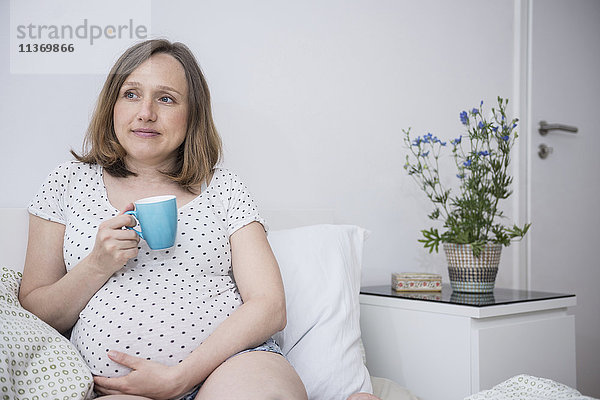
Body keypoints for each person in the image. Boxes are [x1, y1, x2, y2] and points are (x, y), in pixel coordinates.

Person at [19, 38, 381, 400]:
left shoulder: (222, 186)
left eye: (166, 98)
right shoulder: (68, 181)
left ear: (191, 114)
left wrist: (180, 376)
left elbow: (269, 306)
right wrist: (96, 265)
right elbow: (36, 314)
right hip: (120, 389)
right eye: (131, 94)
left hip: (231, 367)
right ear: (111, 104)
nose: (145, 112)